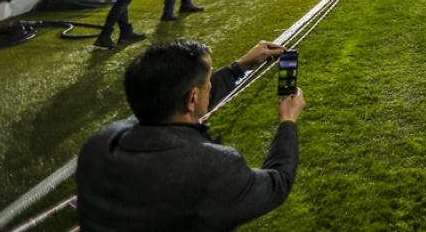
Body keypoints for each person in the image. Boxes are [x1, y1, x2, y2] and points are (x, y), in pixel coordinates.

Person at [75, 39, 305, 231]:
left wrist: (239, 67)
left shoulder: (100, 144)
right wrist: (288, 121)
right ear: (192, 98)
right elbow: (277, 183)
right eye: (207, 83)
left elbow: (178, 102)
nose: (210, 87)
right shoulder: (213, 167)